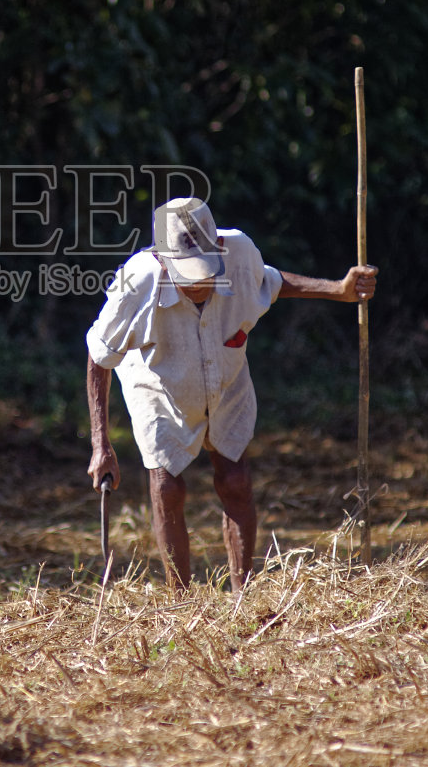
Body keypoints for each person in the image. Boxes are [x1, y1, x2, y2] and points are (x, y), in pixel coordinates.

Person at [85, 196, 377, 592]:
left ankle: (243, 594)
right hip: (157, 379)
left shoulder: (239, 252)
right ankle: (180, 599)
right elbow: (99, 356)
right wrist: (101, 445)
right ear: (162, 260)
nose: (200, 285)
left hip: (225, 372)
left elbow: (271, 282)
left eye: (206, 271)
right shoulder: (136, 284)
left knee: (236, 479)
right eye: (188, 275)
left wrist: (339, 290)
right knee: (167, 486)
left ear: (219, 248)